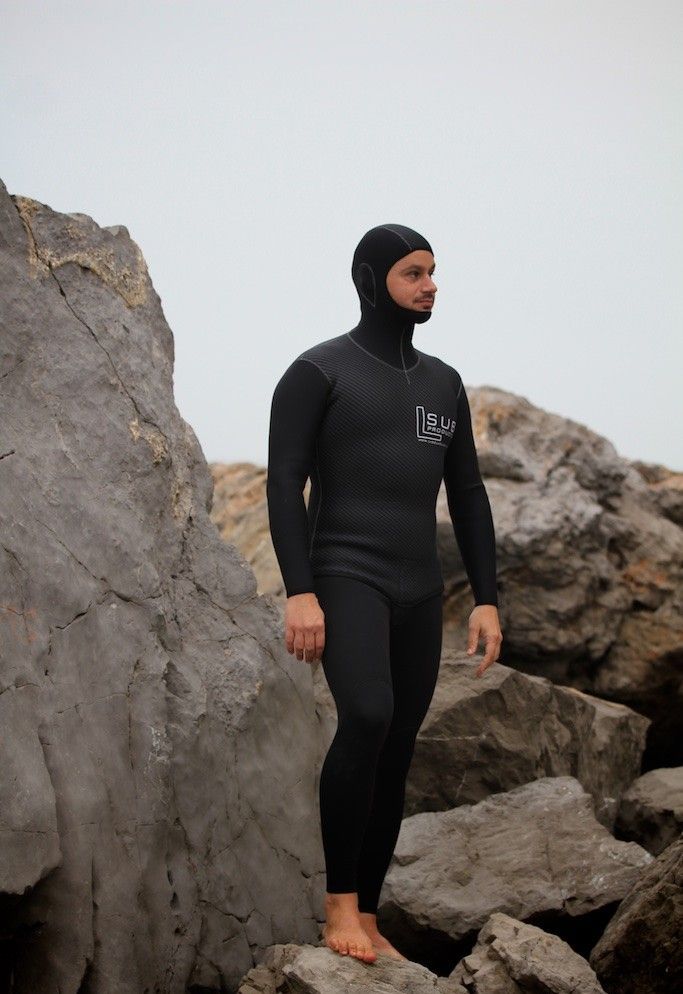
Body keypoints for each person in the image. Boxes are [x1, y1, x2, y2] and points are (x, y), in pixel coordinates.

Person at [266, 223, 502, 964]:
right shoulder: (318, 371)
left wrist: (486, 597)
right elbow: (282, 483)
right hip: (346, 571)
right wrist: (299, 591)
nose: (430, 284)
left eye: (433, 271)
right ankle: (337, 905)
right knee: (366, 716)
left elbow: (466, 494)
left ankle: (368, 915)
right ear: (372, 281)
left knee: (396, 747)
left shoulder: (444, 384)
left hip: (419, 587)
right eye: (412, 272)